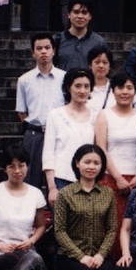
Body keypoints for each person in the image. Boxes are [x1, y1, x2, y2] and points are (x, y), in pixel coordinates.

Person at [54, 144, 117, 270]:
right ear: (77, 164)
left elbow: (112, 229)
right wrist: (80, 256)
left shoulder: (107, 194)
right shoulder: (65, 194)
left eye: (96, 163)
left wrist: (101, 254)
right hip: (70, 256)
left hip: (97, 254)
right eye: (87, 162)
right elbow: (59, 231)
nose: (91, 166)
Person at [95, 72, 136, 258]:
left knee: (134, 225)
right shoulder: (104, 115)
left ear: (135, 91)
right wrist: (118, 177)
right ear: (113, 91)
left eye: (129, 88)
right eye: (120, 87)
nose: (125, 92)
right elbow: (101, 149)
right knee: (111, 227)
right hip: (110, 178)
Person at [16, 33, 65, 191]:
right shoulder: (24, 80)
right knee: (31, 181)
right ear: (33, 52)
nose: (43, 51)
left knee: (57, 180)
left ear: (53, 51)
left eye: (47, 48)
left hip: (58, 134)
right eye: (39, 48)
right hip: (34, 134)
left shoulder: (64, 78)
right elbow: (22, 112)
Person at [42, 68, 97, 208]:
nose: (82, 91)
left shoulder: (97, 116)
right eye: (77, 86)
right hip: (61, 179)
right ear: (68, 87)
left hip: (89, 181)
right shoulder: (55, 115)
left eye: (86, 86)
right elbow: (48, 153)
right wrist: (52, 187)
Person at [54, 0, 108, 71]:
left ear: (90, 16)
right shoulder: (57, 40)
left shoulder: (99, 42)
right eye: (76, 12)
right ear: (69, 15)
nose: (80, 16)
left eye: (84, 13)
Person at [86, 45, 117, 113]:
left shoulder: (115, 89)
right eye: (97, 62)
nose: (101, 66)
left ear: (109, 66)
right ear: (90, 65)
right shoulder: (84, 88)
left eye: (105, 62)